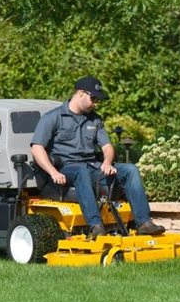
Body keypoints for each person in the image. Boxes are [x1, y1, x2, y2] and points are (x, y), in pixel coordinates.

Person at [30, 75, 165, 238]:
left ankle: (143, 222)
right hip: (66, 169)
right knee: (81, 170)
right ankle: (95, 225)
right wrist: (53, 172)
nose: (96, 103)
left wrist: (107, 162)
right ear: (80, 93)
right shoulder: (53, 118)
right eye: (93, 98)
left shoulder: (95, 120)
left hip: (92, 167)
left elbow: (107, 147)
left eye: (98, 100)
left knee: (130, 169)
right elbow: (37, 148)